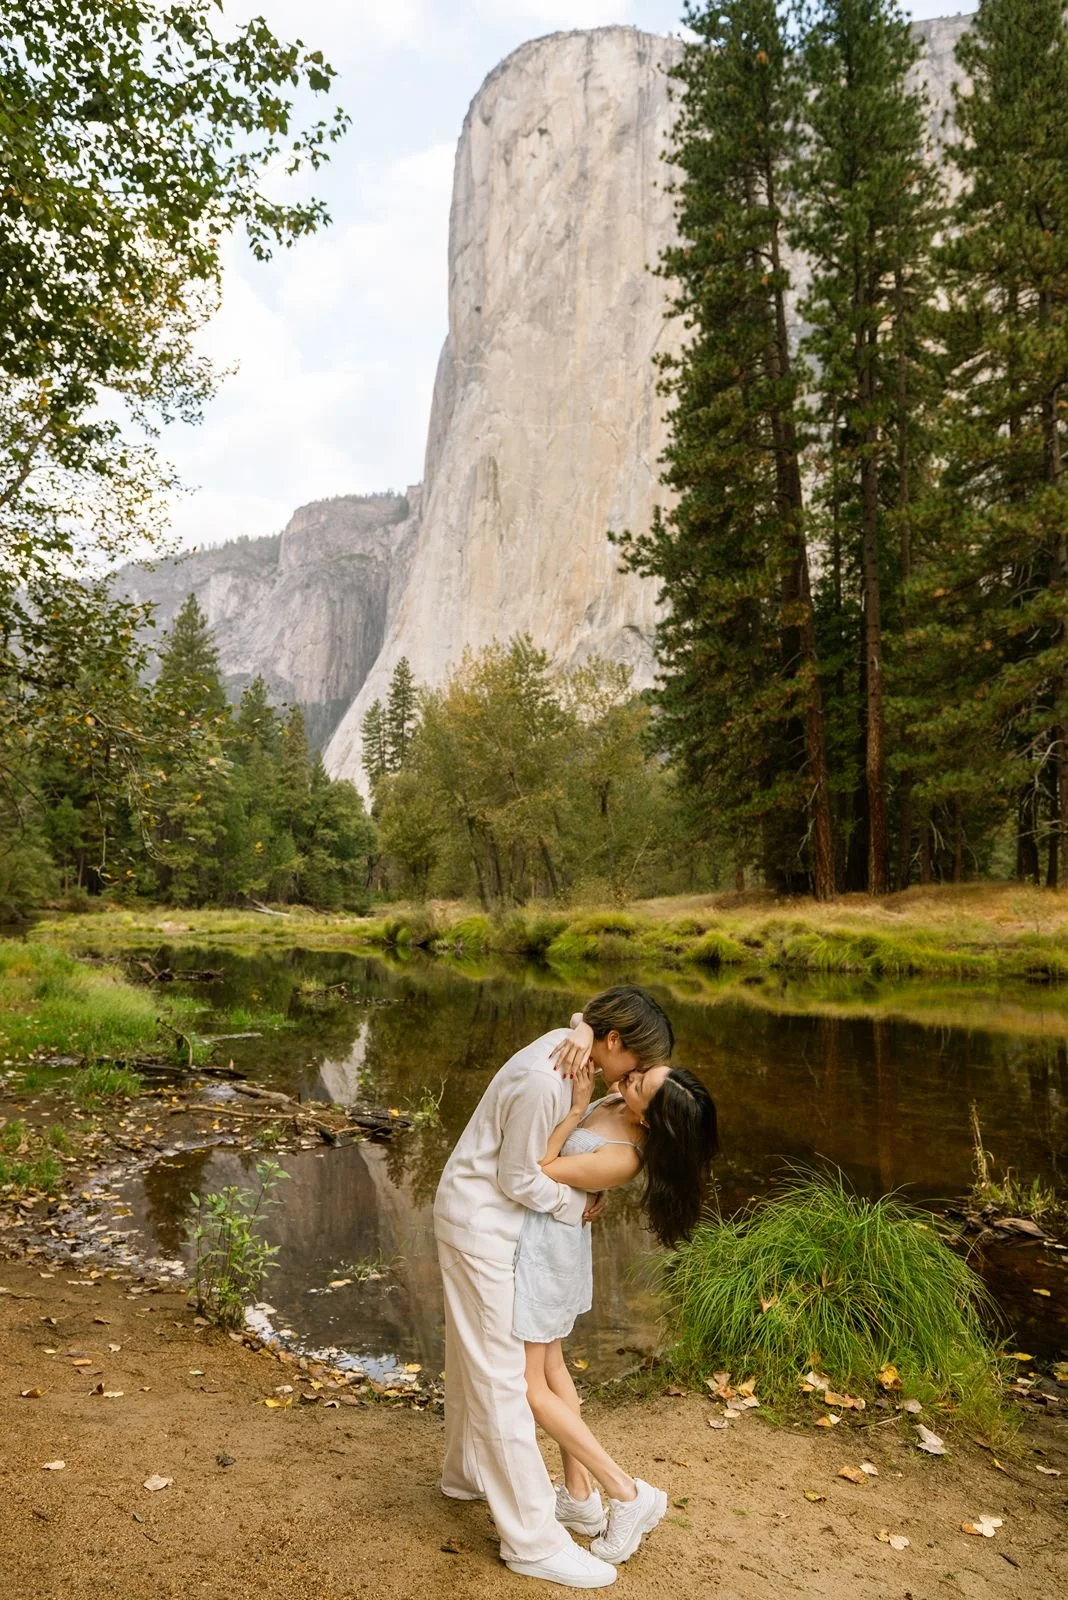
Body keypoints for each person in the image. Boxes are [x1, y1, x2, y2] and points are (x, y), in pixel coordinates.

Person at [432, 986, 674, 1589]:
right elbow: (520, 1178)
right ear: (613, 1041)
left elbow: (582, 1027)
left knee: (474, 1358)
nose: (634, 1074)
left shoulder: (567, 1048)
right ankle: (533, 1543)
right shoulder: (552, 1079)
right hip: (486, 1222)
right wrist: (577, 1204)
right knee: (505, 1382)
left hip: (485, 1219)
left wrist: (581, 1027)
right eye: (637, 1061)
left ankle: (466, 1473)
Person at [514, 1049, 718, 1566]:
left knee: (528, 1385)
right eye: (643, 1073)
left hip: (547, 1255)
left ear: (649, 1120)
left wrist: (574, 1108)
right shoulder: (616, 1100)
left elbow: (539, 1168)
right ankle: (579, 1497)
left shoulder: (625, 1156)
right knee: (552, 1368)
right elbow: (588, 1021)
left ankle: (625, 1491)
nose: (630, 1078)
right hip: (549, 1237)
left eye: (639, 1085)